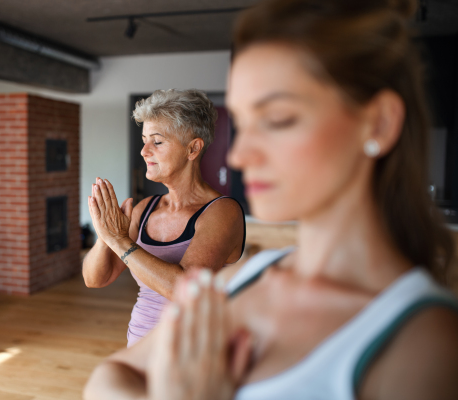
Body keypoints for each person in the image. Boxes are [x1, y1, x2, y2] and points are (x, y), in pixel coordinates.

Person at [83, 0, 458, 399]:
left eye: (278, 119)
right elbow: (106, 380)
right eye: (244, 125)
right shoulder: (247, 278)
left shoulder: (423, 339)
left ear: (378, 123)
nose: (241, 156)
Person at [82, 89, 246, 347]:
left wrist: (120, 240)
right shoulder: (145, 208)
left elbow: (184, 291)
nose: (144, 151)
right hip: (137, 347)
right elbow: (95, 279)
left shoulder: (222, 212)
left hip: (192, 358)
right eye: (144, 140)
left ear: (193, 149)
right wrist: (106, 235)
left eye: (157, 142)